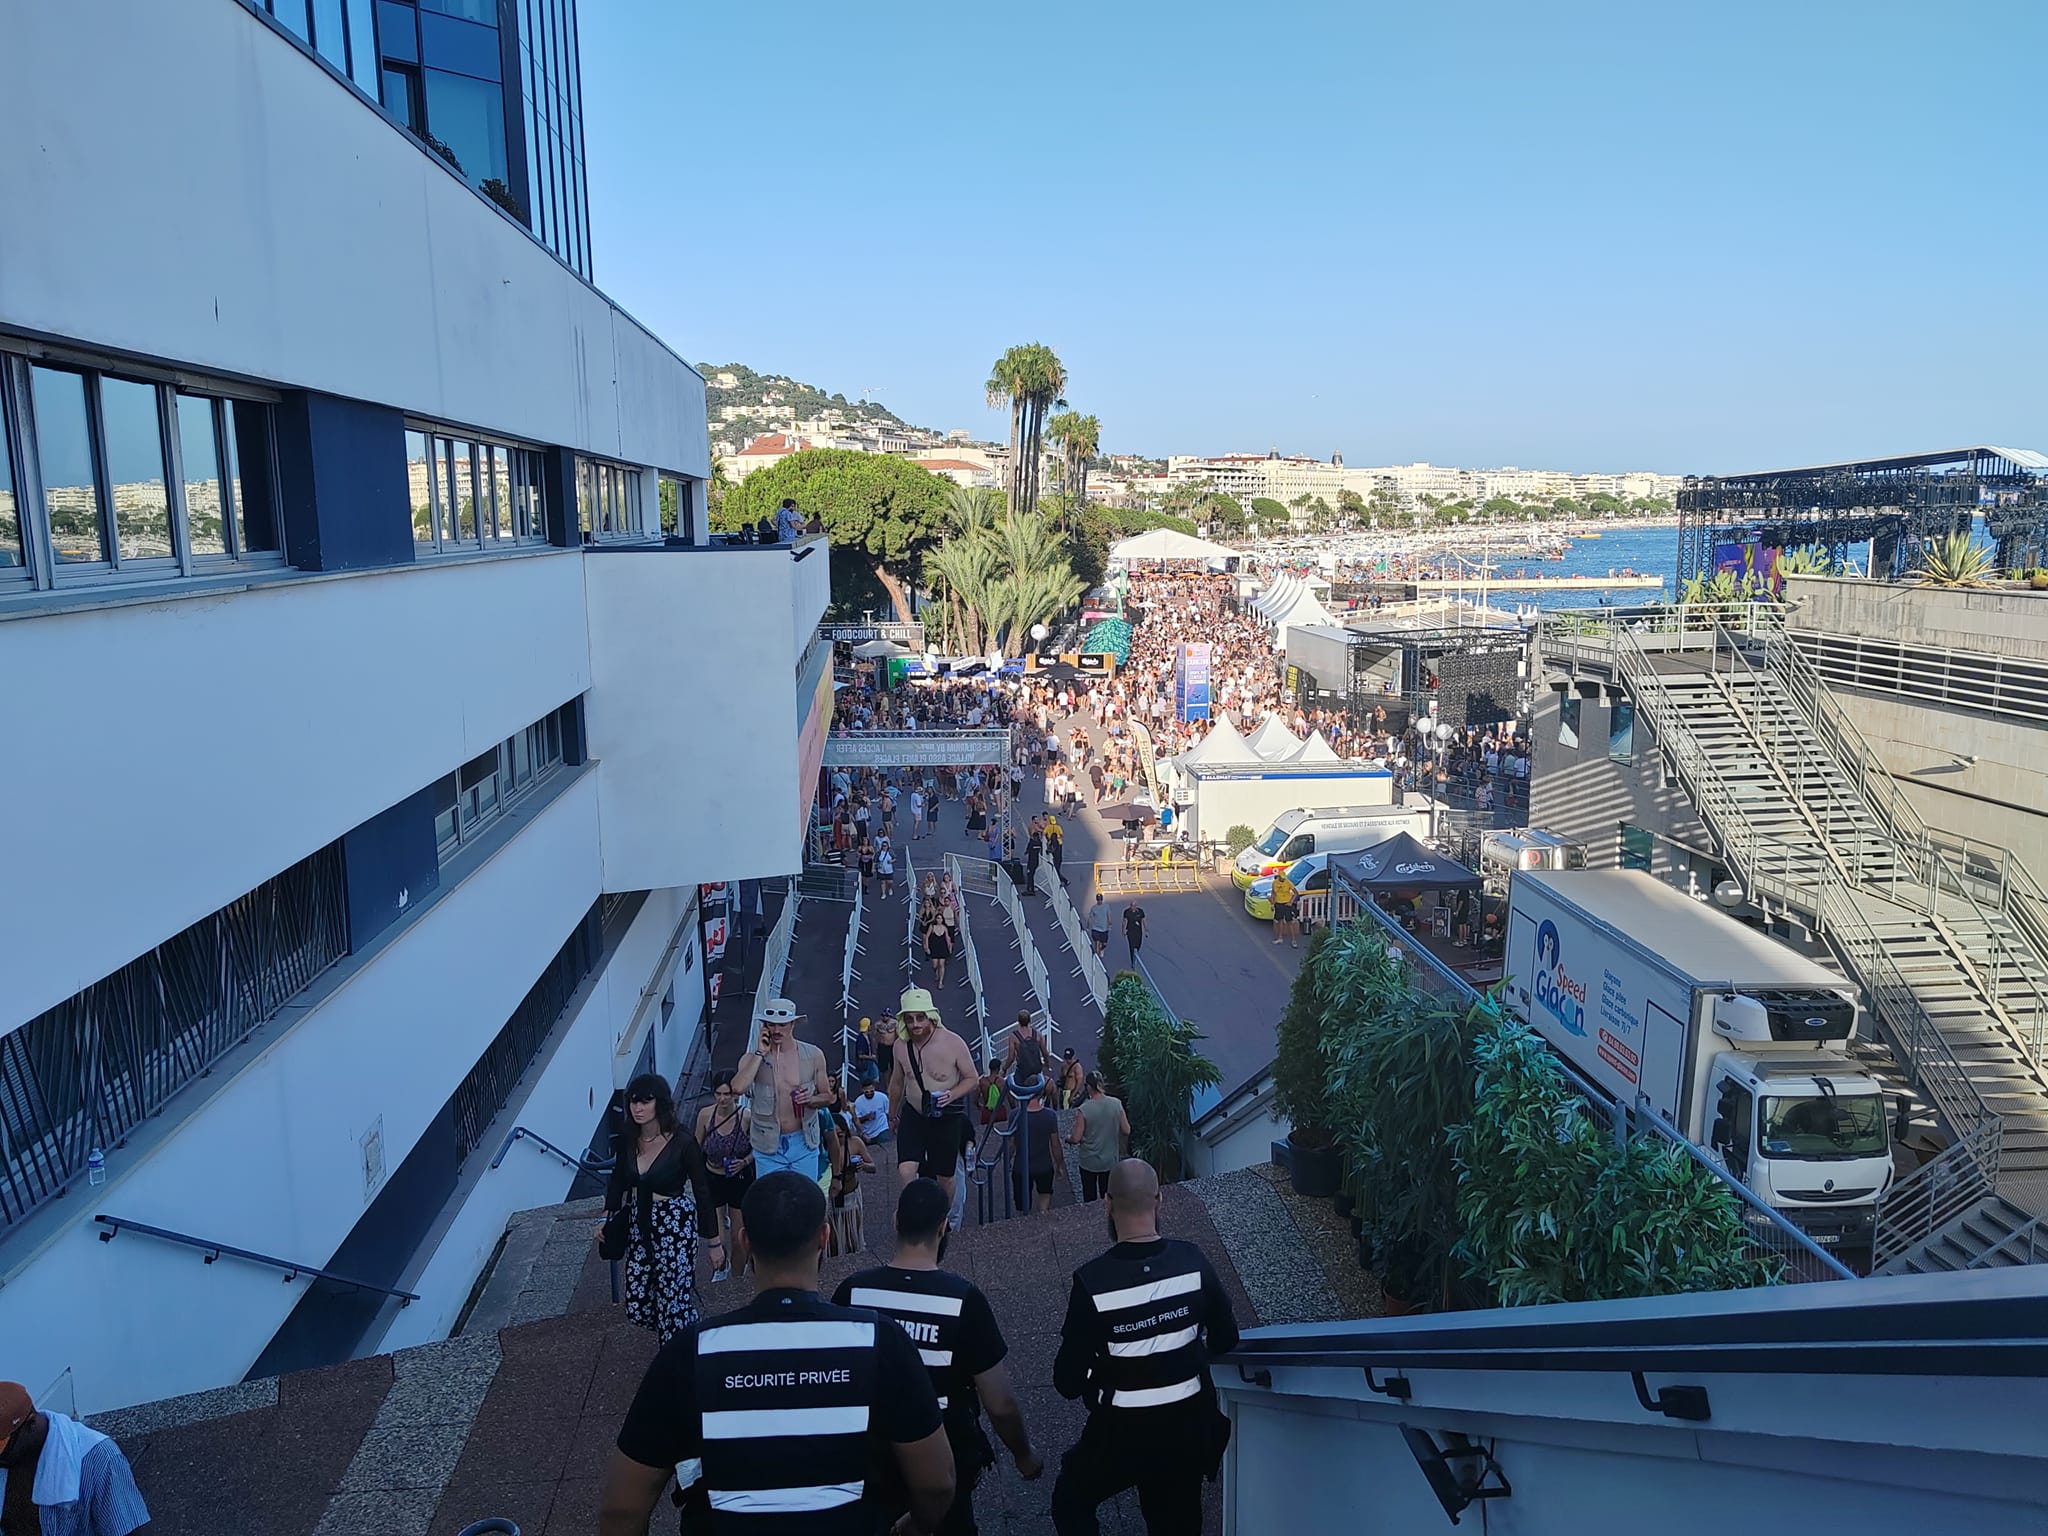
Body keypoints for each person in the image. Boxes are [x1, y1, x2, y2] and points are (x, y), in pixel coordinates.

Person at [600, 1173, 954, 1536]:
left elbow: (621, 1510)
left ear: (745, 1241)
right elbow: (937, 1482)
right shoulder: (880, 1340)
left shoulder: (691, 1352)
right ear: (824, 1237)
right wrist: (913, 1528)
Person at [835, 1181, 1043, 1534]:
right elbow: (1000, 1403)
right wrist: (1023, 1455)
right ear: (943, 1227)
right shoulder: (964, 1301)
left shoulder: (853, 1292)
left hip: (870, 1466)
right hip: (946, 1464)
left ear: (896, 1221)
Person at [1051, 1160, 1241, 1535]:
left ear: (1107, 1204)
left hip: (1120, 1435)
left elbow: (1067, 1382)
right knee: (1177, 1518)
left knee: (1070, 1501)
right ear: (1159, 1201)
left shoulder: (1092, 1283)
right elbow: (1226, 1338)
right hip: (1187, 1430)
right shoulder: (1193, 1262)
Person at [604, 1073, 718, 1344]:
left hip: (674, 1224)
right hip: (638, 1222)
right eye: (633, 1101)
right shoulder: (627, 1140)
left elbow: (702, 1191)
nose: (638, 1108)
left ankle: (674, 1355)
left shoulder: (682, 1141)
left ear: (661, 1103)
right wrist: (607, 1217)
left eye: (646, 1101)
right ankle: (689, 1331)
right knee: (637, 1304)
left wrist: (714, 1241)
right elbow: (618, 1180)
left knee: (672, 1298)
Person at [0, 1381, 149, 1536]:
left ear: (30, 1425)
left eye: (1, 1448)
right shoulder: (11, 1453)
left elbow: (129, 1532)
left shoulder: (100, 1459)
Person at [889, 987, 981, 1209]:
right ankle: (912, 1212)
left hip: (945, 1114)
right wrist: (892, 1113)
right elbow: (897, 1082)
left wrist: (953, 1095)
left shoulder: (953, 1043)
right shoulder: (900, 1046)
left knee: (945, 1176)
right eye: (909, 1019)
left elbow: (972, 1078)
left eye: (920, 1018)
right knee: (906, 1169)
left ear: (930, 1016)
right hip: (914, 1111)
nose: (915, 1024)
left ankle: (942, 1216)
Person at [730, 998, 834, 1177]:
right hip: (767, 1143)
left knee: (804, 1197)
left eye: (782, 1025)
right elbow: (737, 1088)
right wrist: (760, 1052)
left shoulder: (813, 1055)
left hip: (803, 1141)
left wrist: (811, 1099)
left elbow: (828, 1097)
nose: (776, 1030)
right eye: (771, 1025)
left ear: (792, 1024)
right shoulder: (750, 1059)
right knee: (772, 1200)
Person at [695, 1071, 754, 1283]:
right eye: (718, 1094)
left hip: (738, 1179)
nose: (722, 1099)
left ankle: (737, 1276)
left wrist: (745, 1162)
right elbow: (696, 1147)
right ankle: (720, 1268)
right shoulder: (705, 1115)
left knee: (738, 1237)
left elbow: (758, 1147)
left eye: (727, 1094)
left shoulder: (745, 1116)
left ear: (734, 1094)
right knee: (717, 1236)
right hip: (713, 1177)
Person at [1066, 1074, 1129, 1203]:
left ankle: (1092, 1219)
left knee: (1089, 1196)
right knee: (1107, 1194)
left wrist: (1068, 1138)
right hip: (1110, 1159)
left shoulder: (1084, 1109)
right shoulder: (1116, 1104)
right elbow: (1126, 1130)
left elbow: (1076, 1138)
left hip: (1089, 1161)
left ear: (1089, 1087)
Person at [1009, 1074, 1065, 1215]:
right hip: (1044, 1165)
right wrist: (1059, 1165)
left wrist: (1008, 1159)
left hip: (1021, 1166)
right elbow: (1055, 1144)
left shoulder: (1015, 1115)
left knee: (1023, 1204)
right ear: (1041, 1092)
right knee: (1045, 1196)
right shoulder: (1050, 1116)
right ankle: (1042, 1219)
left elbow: (1011, 1144)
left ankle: (1026, 1224)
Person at [1003, 1009, 1047, 1086]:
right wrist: (1047, 1064)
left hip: (1023, 1071)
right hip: (1037, 1069)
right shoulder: (1038, 1034)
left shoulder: (1014, 1037)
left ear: (1018, 1021)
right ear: (1030, 1020)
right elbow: (1045, 1053)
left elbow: (1011, 1058)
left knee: (1011, 1086)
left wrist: (1004, 1068)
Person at [922, 901, 954, 990]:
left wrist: (950, 947)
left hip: (942, 947)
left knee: (941, 964)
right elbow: (927, 937)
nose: (939, 920)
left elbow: (948, 938)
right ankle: (936, 973)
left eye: (940, 918)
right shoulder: (932, 927)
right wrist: (927, 947)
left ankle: (940, 982)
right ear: (936, 919)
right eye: (938, 918)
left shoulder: (944, 928)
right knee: (935, 965)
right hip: (934, 947)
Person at [852, 1077, 892, 1143]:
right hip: (868, 1133)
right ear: (862, 1090)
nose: (869, 1093)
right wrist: (866, 1117)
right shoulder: (858, 1102)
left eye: (871, 1091)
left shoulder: (882, 1097)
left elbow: (888, 1113)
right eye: (866, 1092)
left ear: (874, 1087)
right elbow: (856, 1120)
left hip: (881, 1129)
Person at [1270, 865, 1297, 948]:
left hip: (1286, 904)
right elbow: (1273, 893)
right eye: (1281, 878)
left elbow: (1296, 893)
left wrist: (1290, 902)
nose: (1283, 879)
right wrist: (1272, 904)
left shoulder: (1288, 882)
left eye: (1284, 878)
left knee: (1290, 922)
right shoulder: (1275, 882)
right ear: (1279, 877)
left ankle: (1293, 940)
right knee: (1280, 921)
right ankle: (1280, 938)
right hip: (1278, 904)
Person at [851, 1016, 879, 1086]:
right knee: (865, 1083)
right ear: (868, 1026)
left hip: (870, 1062)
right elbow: (860, 1055)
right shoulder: (860, 1039)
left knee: (875, 1079)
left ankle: (873, 1090)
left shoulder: (868, 1036)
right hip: (864, 1065)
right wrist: (871, 1057)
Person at [1088, 892, 1112, 958]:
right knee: (1097, 941)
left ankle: (1102, 949)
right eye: (1098, 900)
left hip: (1104, 929)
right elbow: (1090, 917)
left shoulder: (1106, 907)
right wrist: (1088, 926)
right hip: (1095, 928)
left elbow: (1109, 915)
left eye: (1100, 900)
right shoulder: (1093, 908)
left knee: (1104, 943)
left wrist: (1110, 923)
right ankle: (1096, 955)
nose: (1099, 901)